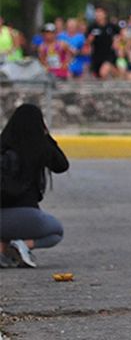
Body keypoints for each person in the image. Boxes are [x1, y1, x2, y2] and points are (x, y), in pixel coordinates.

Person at [1, 103, 69, 268]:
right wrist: (46, 136)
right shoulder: (40, 149)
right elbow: (62, 165)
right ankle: (22, 245)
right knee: (56, 231)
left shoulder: (3, 146)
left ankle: (3, 251)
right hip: (25, 214)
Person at [85, 5, 121, 79]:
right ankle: (116, 76)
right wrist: (89, 40)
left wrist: (117, 41)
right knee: (100, 77)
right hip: (96, 55)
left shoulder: (111, 26)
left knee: (103, 72)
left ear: (105, 14)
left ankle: (118, 73)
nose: (98, 15)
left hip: (109, 54)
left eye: (100, 12)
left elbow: (121, 34)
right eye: (96, 13)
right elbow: (87, 42)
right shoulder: (92, 27)